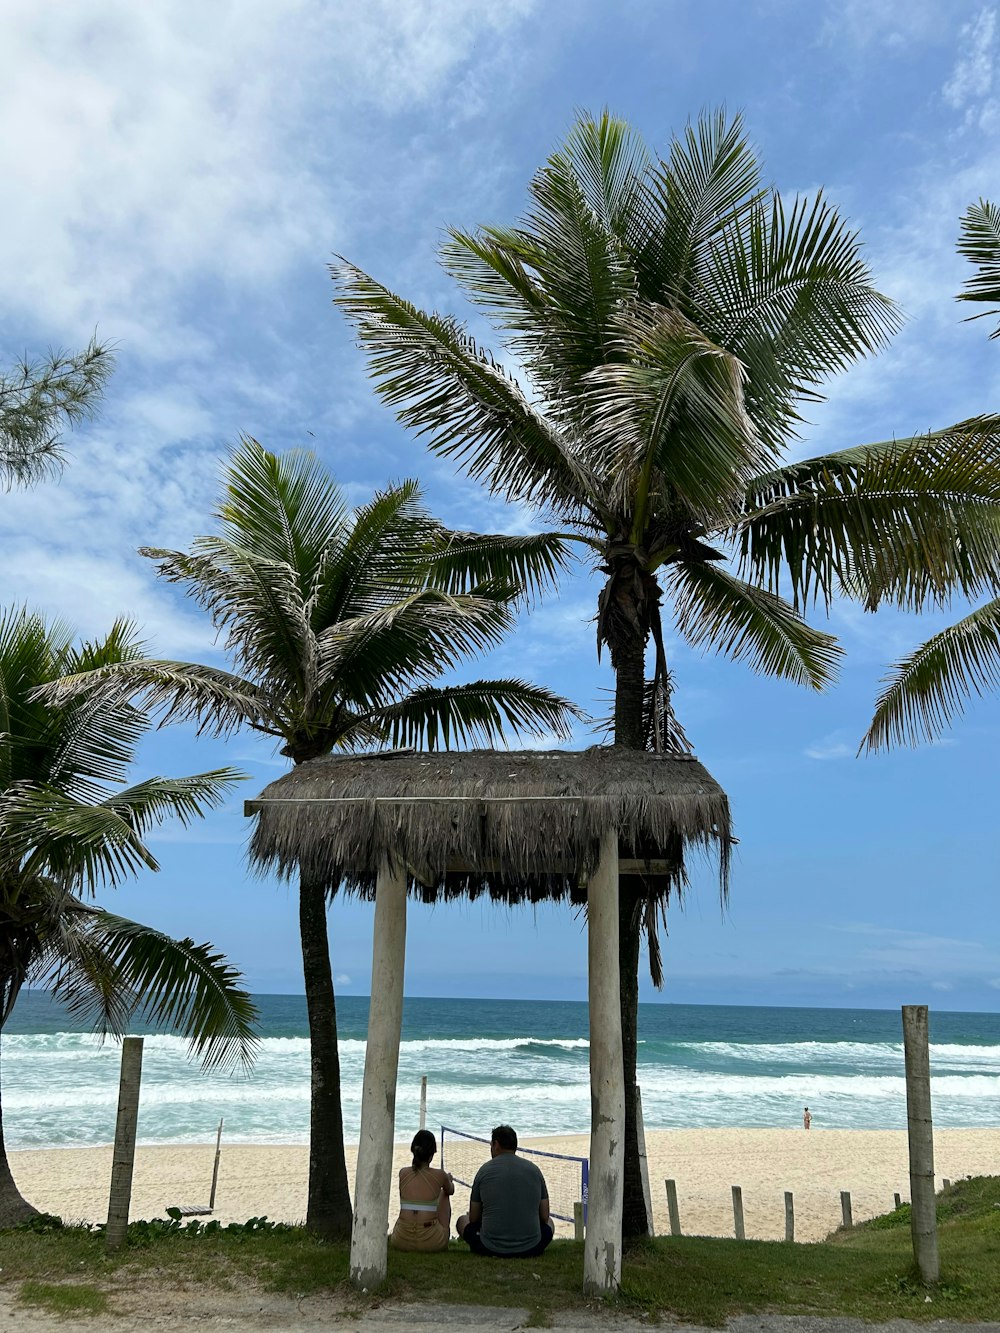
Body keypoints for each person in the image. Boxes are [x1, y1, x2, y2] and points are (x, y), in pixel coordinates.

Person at [456, 1124, 555, 1258]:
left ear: (496, 1144)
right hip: (532, 1247)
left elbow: (473, 1218)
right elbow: (544, 1216)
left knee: (462, 1220)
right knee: (550, 1223)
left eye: (491, 1145)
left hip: (490, 1247)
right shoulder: (534, 1170)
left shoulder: (484, 1171)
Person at [389, 1128, 455, 1253]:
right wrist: (449, 1179)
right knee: (444, 1193)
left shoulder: (403, 1173)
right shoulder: (440, 1175)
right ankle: (444, 1234)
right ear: (432, 1154)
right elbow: (451, 1190)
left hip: (401, 1239)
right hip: (431, 1242)